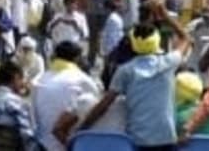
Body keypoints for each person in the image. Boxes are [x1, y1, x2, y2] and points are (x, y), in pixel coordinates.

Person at [81, 23, 189, 151]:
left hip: (137, 140)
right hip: (166, 139)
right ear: (157, 42)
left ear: (133, 44)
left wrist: (83, 128)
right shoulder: (169, 62)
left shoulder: (125, 70)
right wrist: (163, 14)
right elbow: (185, 38)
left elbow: (105, 103)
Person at [32, 41, 102, 151]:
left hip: (42, 143)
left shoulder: (40, 79)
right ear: (77, 59)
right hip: (70, 144)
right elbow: (96, 109)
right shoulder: (83, 79)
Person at [0, 59, 36, 151]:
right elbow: (27, 136)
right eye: (21, 79)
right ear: (16, 77)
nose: (22, 84)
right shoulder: (19, 104)